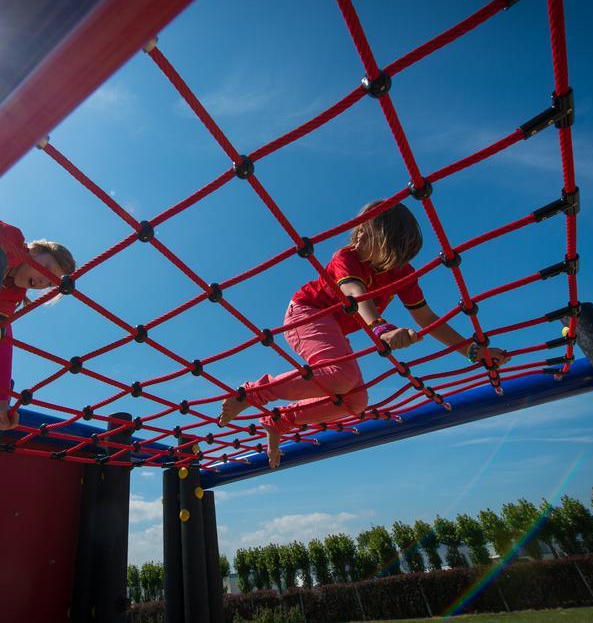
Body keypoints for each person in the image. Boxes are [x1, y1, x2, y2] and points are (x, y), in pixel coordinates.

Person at [218, 200, 509, 468]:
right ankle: (254, 393)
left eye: (368, 236)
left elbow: (427, 318)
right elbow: (355, 295)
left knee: (356, 401)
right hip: (306, 313)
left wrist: (473, 351)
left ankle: (278, 421)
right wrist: (380, 328)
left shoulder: (401, 273)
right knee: (340, 377)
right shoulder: (347, 257)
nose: (358, 238)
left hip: (335, 325)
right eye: (360, 233)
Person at [0, 204, 75, 430]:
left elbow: (1, 341)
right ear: (34, 251)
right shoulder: (12, 241)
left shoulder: (11, 297)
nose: (44, 282)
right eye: (47, 268)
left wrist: (1, 405)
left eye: (50, 283)